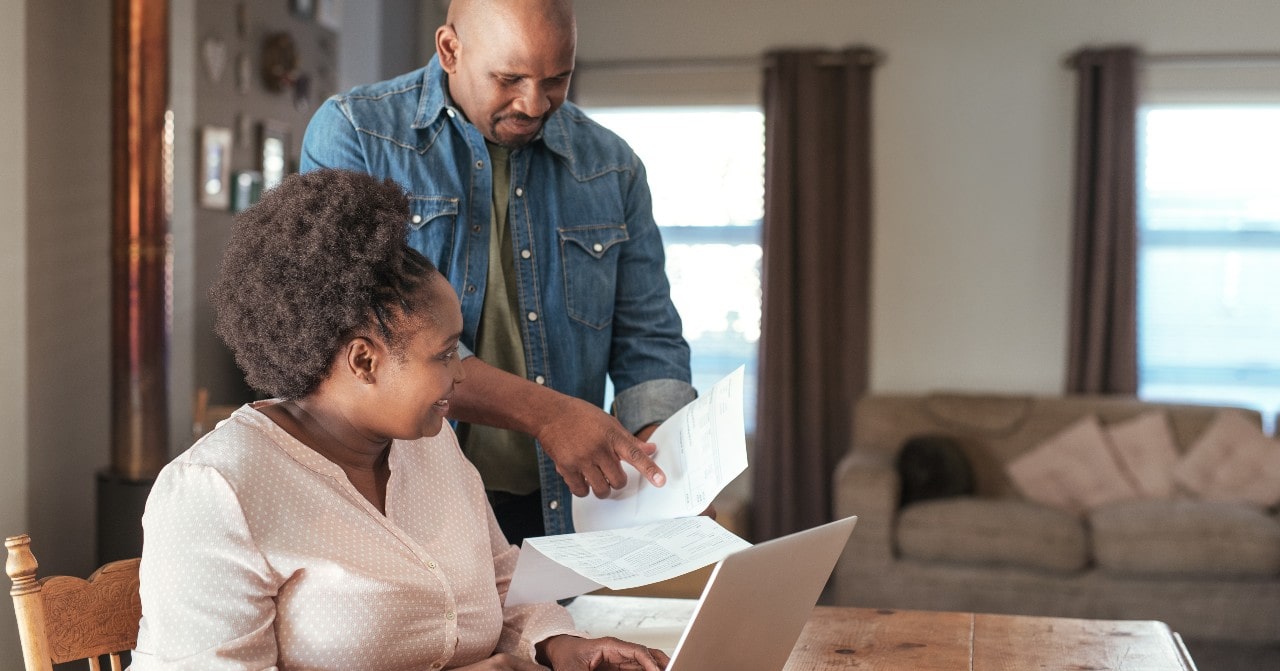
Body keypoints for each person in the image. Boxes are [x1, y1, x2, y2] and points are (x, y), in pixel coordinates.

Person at [131, 169, 669, 670]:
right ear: (364, 361)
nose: (462, 375)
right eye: (445, 354)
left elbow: (499, 578)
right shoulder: (218, 491)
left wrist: (564, 647)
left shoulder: (427, 443)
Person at [300, 0, 697, 544]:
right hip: (400, 503)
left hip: (553, 508)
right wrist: (550, 415)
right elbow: (372, 335)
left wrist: (662, 465)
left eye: (557, 79)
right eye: (509, 78)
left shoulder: (613, 166)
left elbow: (649, 341)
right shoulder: (355, 136)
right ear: (450, 50)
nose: (534, 103)